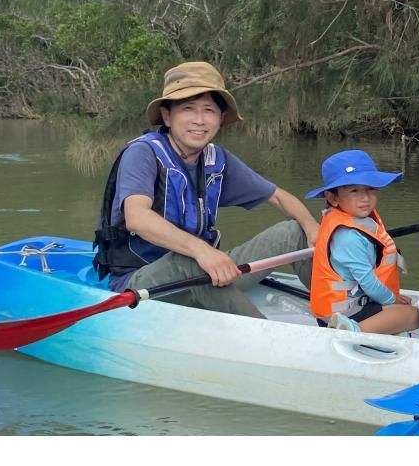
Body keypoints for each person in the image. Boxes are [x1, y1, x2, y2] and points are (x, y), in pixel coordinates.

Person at [92, 61, 320, 318]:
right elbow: (137, 218)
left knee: (292, 231)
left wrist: (311, 226)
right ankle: (263, 338)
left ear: (220, 119)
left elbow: (278, 197)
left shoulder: (216, 159)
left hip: (200, 270)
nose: (199, 120)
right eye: (188, 109)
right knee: (187, 261)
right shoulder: (143, 153)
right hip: (142, 280)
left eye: (209, 110)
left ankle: (339, 316)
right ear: (167, 116)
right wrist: (202, 251)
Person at [305, 150, 419, 334]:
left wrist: (393, 299)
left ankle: (365, 325)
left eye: (370, 188)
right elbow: (367, 281)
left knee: (405, 308)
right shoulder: (347, 236)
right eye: (354, 191)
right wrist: (393, 300)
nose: (365, 198)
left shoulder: (359, 223)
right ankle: (352, 331)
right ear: (333, 198)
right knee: (414, 315)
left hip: (353, 303)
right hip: (343, 313)